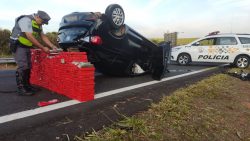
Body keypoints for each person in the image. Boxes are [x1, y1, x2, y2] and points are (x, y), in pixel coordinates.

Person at [10, 10, 58, 96]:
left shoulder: (38, 24)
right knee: (23, 66)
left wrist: (52, 46)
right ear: (37, 17)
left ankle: (27, 86)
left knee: (29, 65)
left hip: (27, 46)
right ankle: (22, 88)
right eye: (43, 22)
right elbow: (29, 36)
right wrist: (43, 47)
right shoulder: (25, 20)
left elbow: (43, 36)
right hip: (18, 45)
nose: (42, 24)